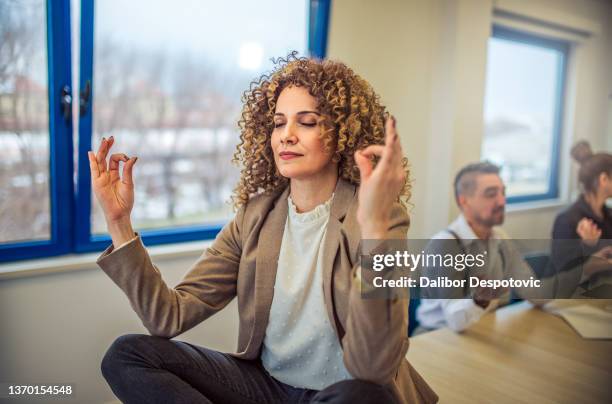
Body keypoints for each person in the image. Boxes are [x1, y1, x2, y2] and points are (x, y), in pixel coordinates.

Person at [89, 54, 438, 404]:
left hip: (342, 394)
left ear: (342, 134)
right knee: (128, 355)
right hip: (268, 389)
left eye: (307, 122)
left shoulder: (378, 214)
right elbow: (168, 316)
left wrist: (376, 228)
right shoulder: (255, 217)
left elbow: (373, 368)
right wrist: (119, 223)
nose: (286, 136)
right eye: (278, 123)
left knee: (363, 396)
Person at [416, 162, 548, 333]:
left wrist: (581, 270)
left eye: (503, 192)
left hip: (481, 329)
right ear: (464, 201)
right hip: (436, 336)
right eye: (491, 194)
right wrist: (478, 301)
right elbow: (454, 321)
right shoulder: (445, 245)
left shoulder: (500, 239)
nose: (502, 201)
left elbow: (533, 292)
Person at [551, 141, 612, 285]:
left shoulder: (609, 215)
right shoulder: (567, 219)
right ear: (604, 179)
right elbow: (563, 274)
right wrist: (588, 247)